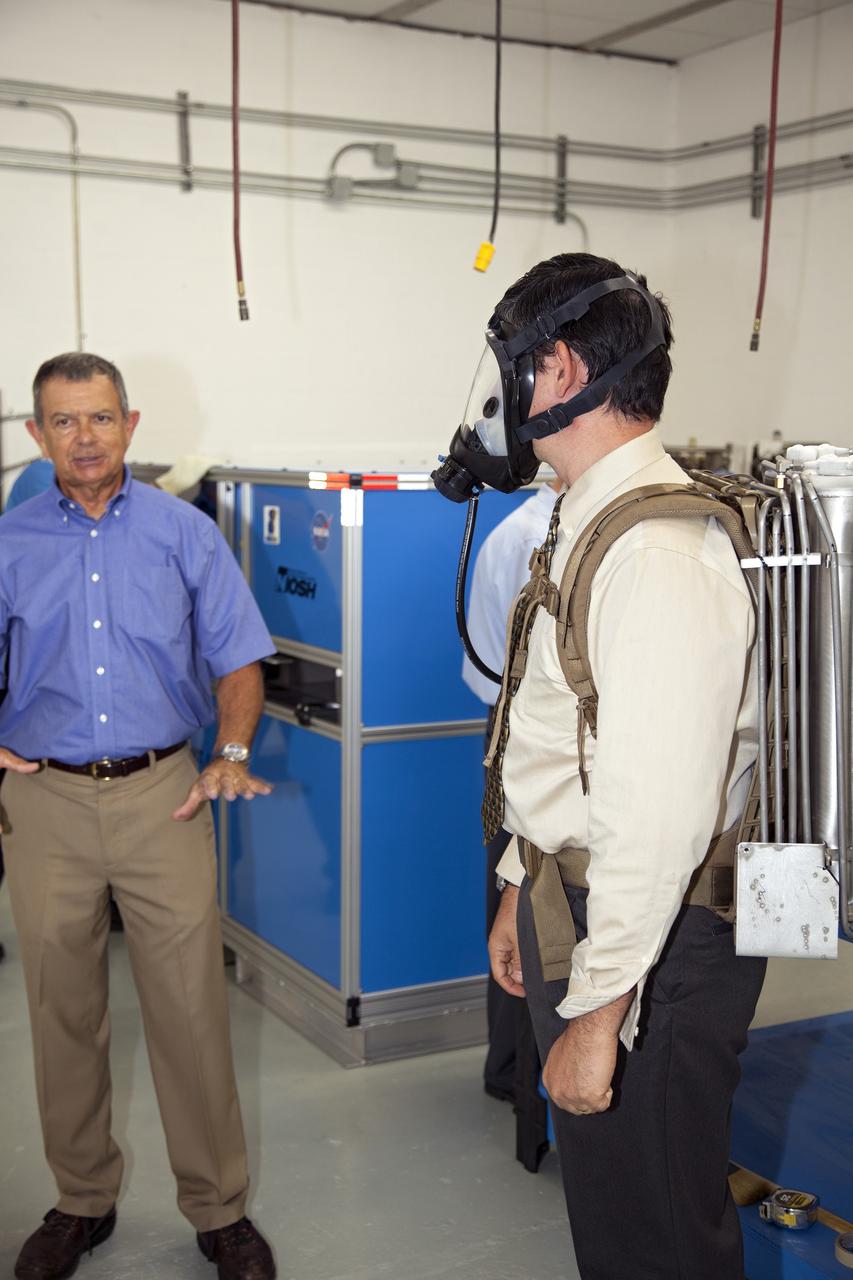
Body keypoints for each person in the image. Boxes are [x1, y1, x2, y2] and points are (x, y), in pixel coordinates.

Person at [482, 254, 766, 1279]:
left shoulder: (656, 551)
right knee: (616, 1219)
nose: (500, 400)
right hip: (590, 909)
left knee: (654, 1239)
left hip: (655, 946)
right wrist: (523, 882)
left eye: (510, 370)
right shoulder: (591, 508)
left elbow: (658, 817)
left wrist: (598, 1015)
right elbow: (566, 731)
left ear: (554, 369)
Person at [0, 352, 278, 1280]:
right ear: (36, 436)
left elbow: (240, 657)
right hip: (43, 802)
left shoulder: (183, 534)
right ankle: (81, 1201)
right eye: (64, 422)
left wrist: (229, 753)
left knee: (192, 1011)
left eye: (101, 418)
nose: (85, 437)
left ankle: (219, 1209)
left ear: (131, 422)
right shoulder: (10, 539)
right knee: (61, 1009)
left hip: (166, 796)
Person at [461, 479, 561, 1103]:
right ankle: (523, 1074)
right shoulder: (533, 538)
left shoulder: (514, 533)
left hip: (508, 729)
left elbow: (480, 673)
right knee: (524, 901)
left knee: (516, 896)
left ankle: (512, 1070)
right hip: (529, 739)